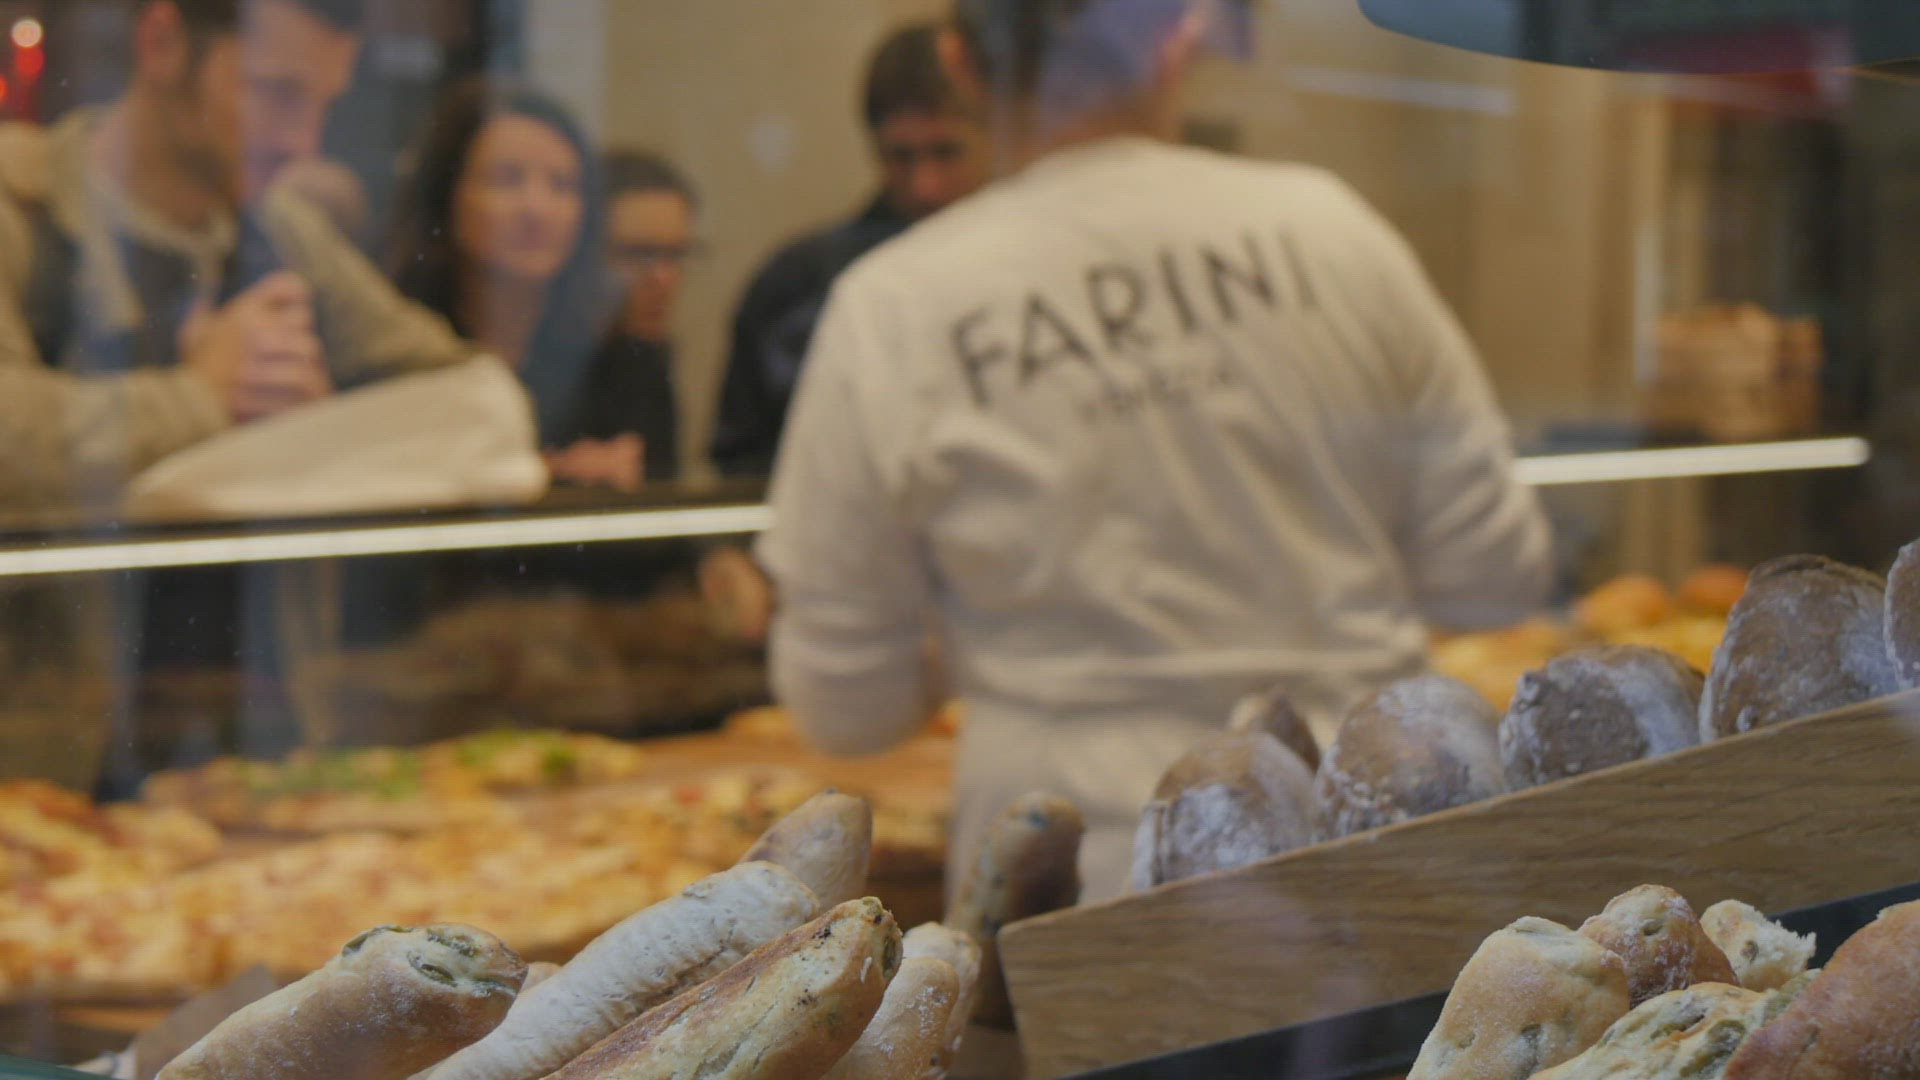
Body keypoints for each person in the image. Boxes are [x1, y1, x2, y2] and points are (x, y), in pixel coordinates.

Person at [756, 0, 1555, 901]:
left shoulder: (894, 306)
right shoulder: (1334, 232)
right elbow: (1494, 577)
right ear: (1179, 34)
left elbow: (844, 706)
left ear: (960, 62)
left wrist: (986, 627)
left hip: (1087, 893)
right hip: (1376, 843)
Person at [0, 0, 473, 508]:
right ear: (161, 43)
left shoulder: (285, 231)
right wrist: (203, 396)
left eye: (326, 105)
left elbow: (462, 384)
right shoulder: (20, 205)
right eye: (276, 92)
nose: (303, 143)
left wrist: (320, 420)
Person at [710, 21, 989, 477]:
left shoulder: (1038, 268)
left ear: (995, 136)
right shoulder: (798, 285)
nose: (925, 185)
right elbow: (745, 460)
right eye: (900, 157)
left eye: (946, 152)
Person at [386, 80, 678, 490]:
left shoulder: (623, 351)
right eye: (506, 179)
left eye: (561, 185)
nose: (536, 208)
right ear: (446, 196)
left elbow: (666, 508)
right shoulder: (396, 344)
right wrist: (549, 475)